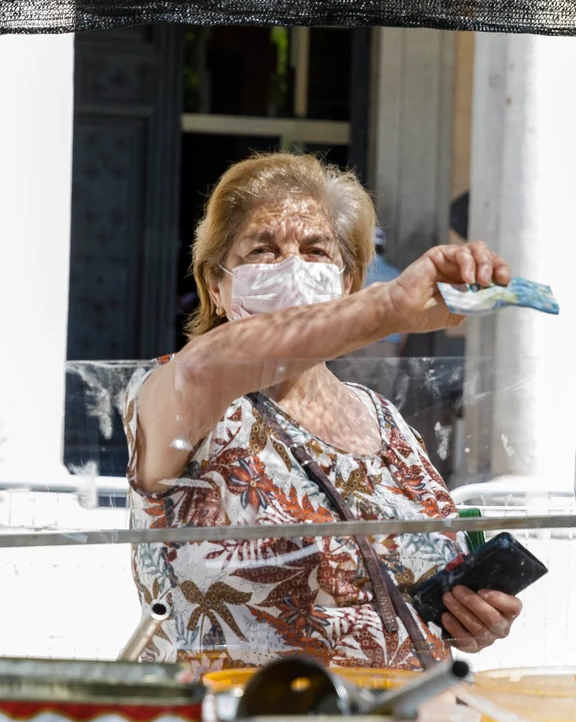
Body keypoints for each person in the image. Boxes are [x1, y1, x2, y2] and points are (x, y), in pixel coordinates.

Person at [127, 152, 523, 671]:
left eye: (315, 250)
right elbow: (203, 368)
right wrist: (387, 309)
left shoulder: (385, 420)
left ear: (346, 281)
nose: (293, 267)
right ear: (215, 286)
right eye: (263, 250)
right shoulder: (184, 399)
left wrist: (470, 614)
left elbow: (428, 583)